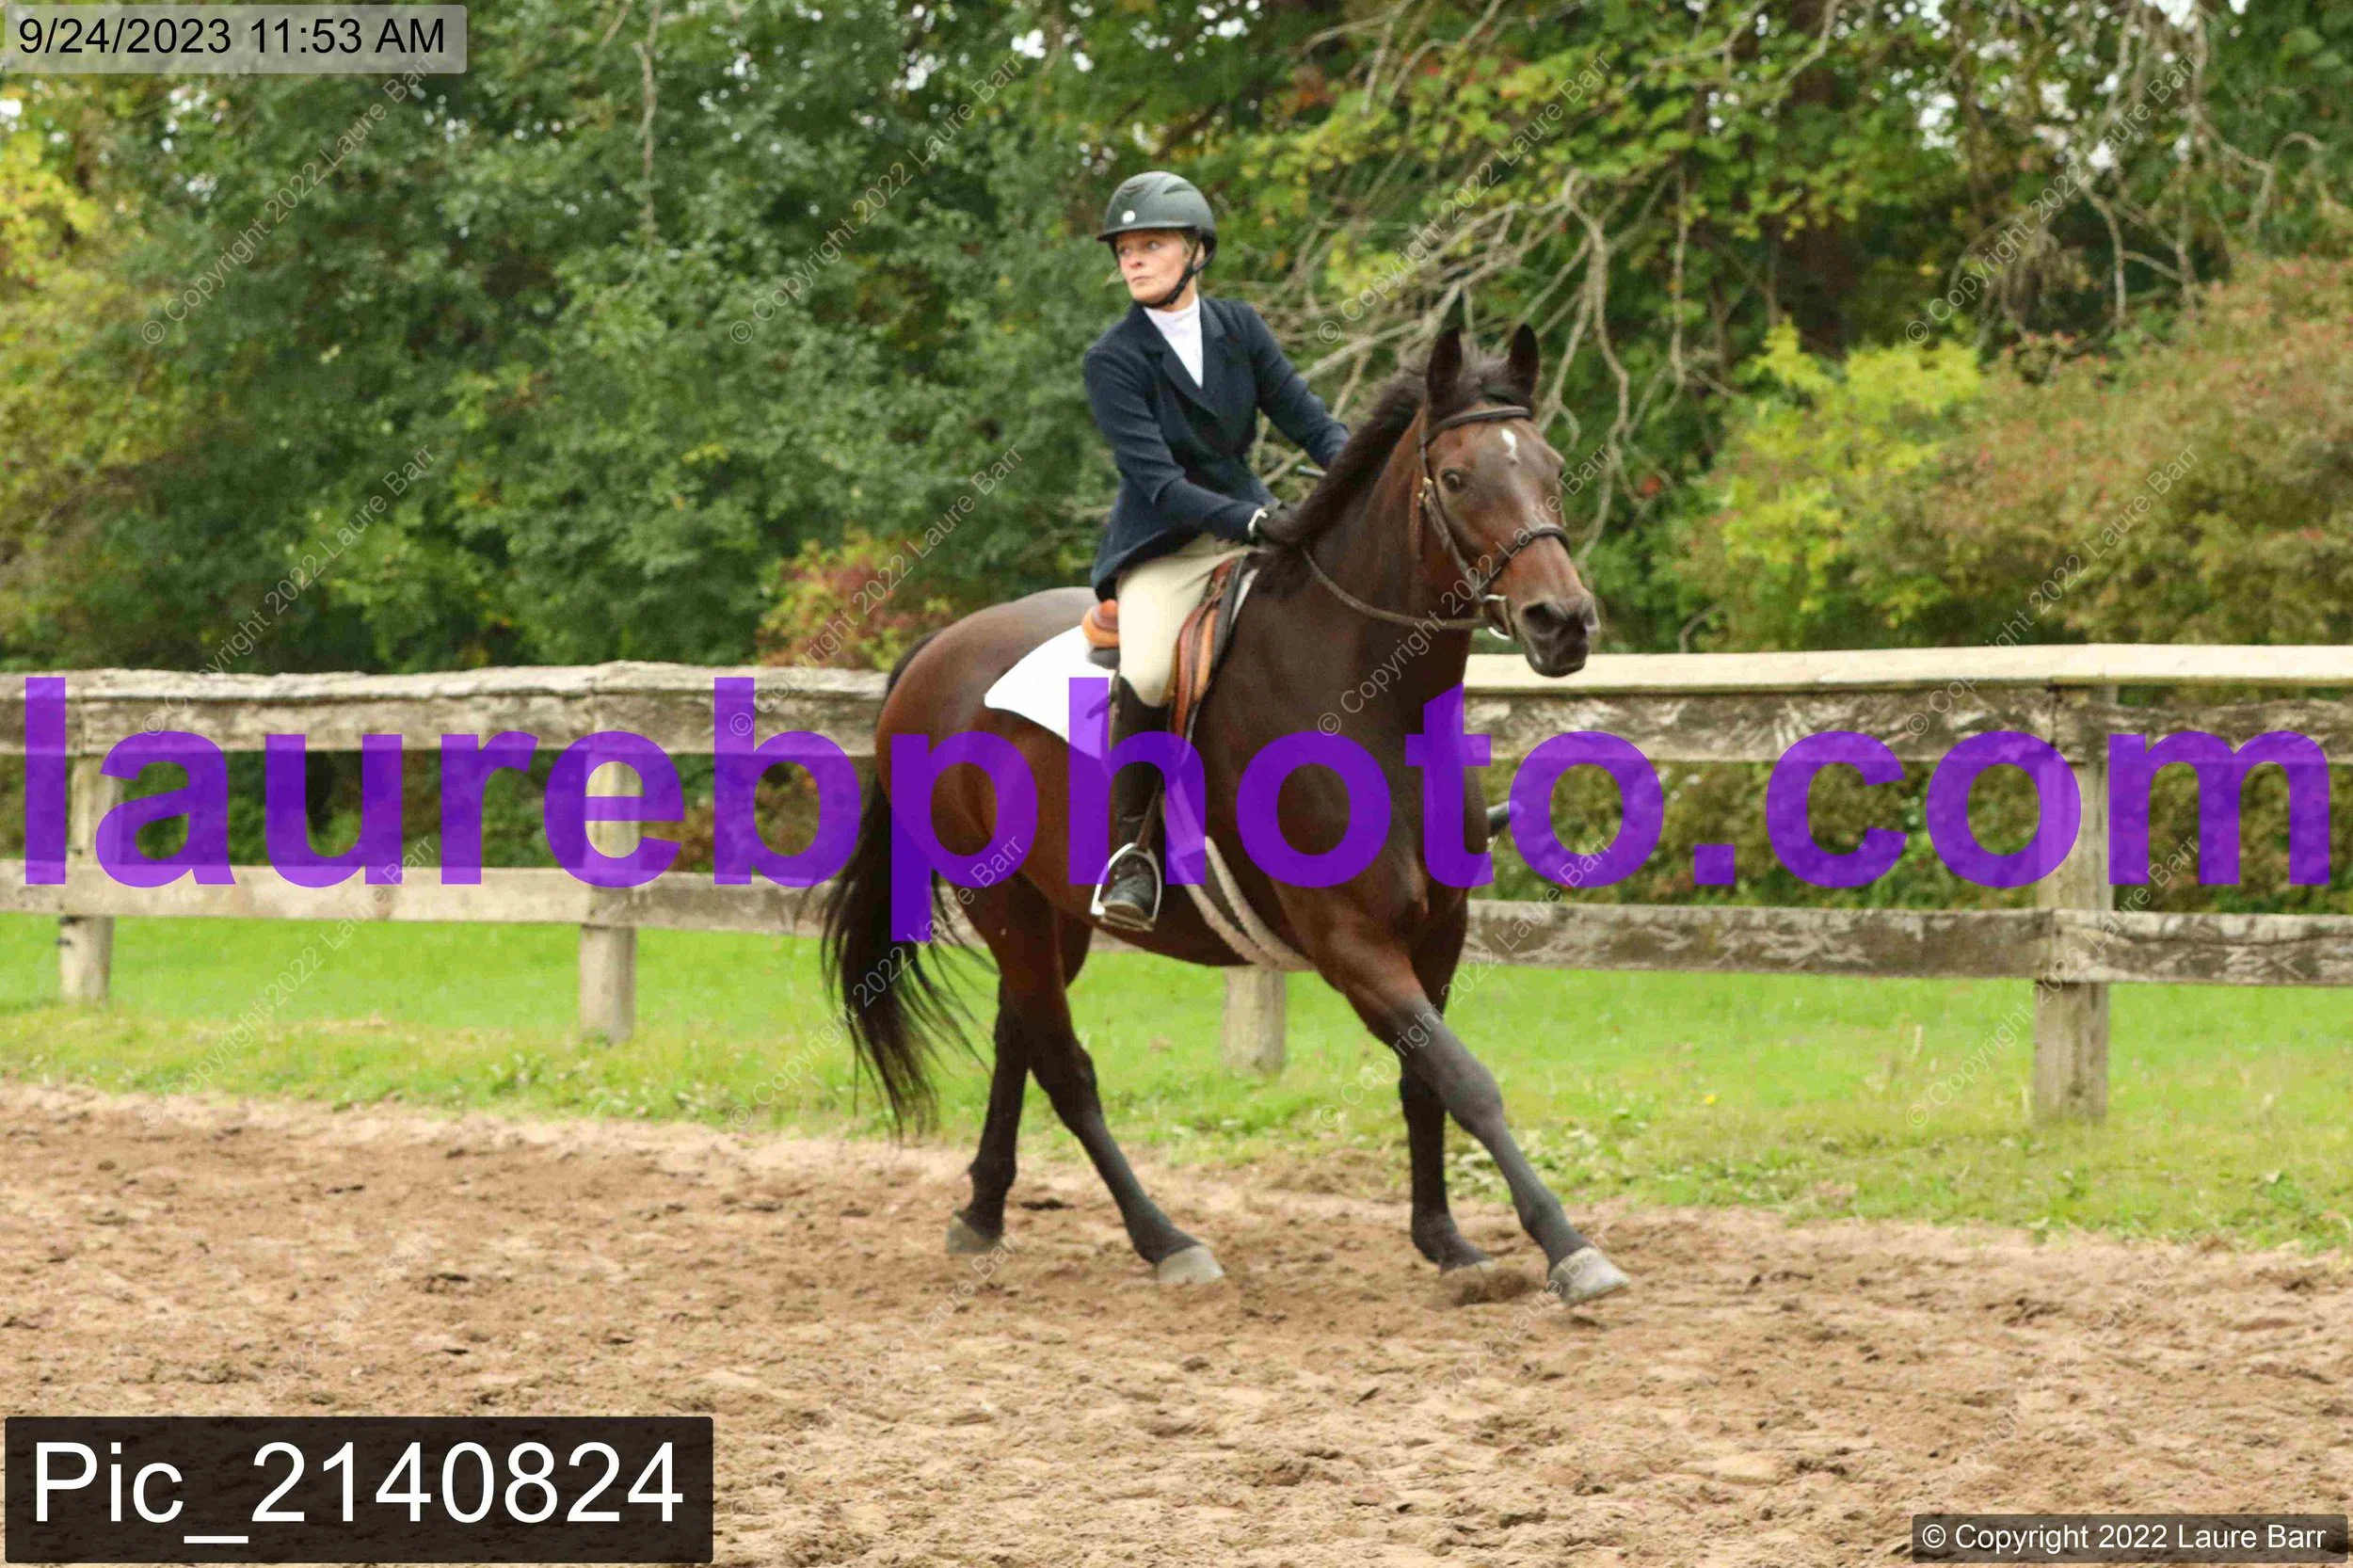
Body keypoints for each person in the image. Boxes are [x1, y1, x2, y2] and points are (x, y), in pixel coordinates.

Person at [1081, 169, 1351, 933]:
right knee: (1149, 670)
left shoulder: (1240, 328)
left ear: (1196, 251)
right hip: (1166, 547)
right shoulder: (1114, 358)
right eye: (1125, 250)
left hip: (1256, 530)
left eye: (1151, 245)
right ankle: (1130, 853)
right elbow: (1160, 484)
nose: (1133, 260)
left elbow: (1311, 422)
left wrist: (1361, 475)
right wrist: (1255, 522)